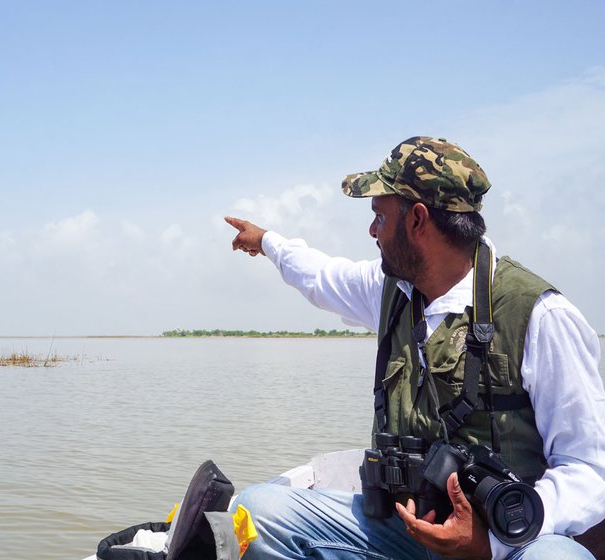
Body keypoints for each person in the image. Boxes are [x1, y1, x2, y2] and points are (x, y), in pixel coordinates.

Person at [225, 136, 605, 560]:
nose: (372, 231)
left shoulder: (540, 316)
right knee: (255, 515)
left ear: (418, 220)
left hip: (505, 543)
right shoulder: (391, 292)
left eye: (379, 217)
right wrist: (266, 241)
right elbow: (320, 275)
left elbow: (589, 470)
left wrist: (490, 542)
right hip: (403, 527)